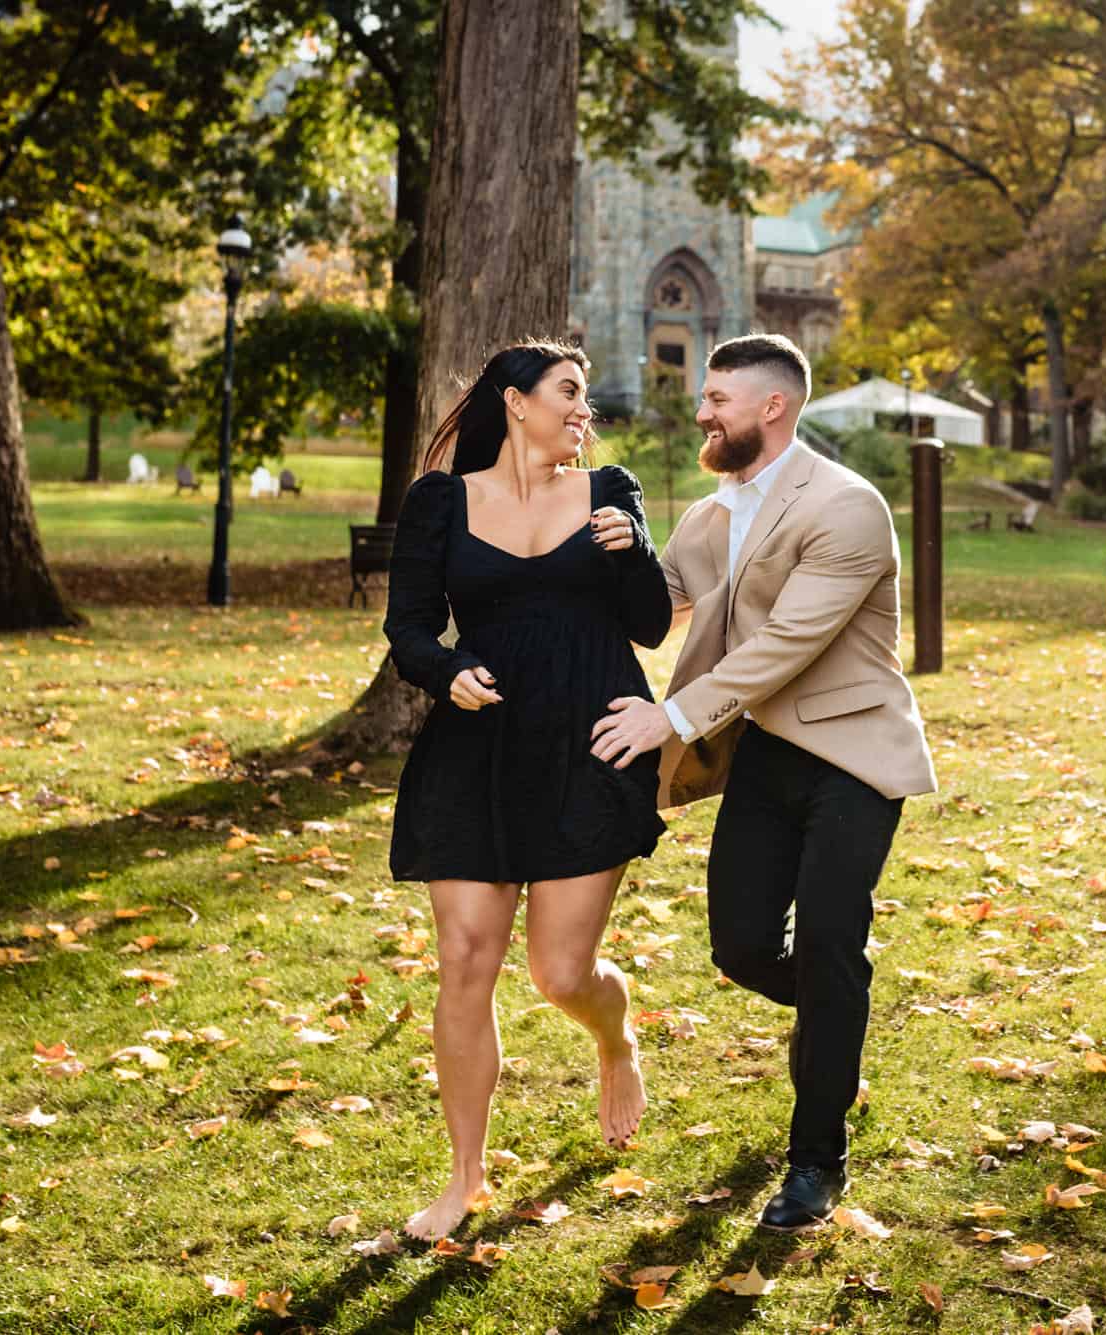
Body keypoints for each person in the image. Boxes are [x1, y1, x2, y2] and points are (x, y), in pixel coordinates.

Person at [591, 334, 935, 1232]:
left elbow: (787, 644)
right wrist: (621, 549)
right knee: (741, 948)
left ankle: (817, 1160)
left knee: (826, 940)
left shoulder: (848, 506)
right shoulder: (713, 515)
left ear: (771, 407)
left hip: (854, 757)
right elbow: (655, 600)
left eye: (717, 399)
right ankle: (836, 1014)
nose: (702, 411)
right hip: (766, 757)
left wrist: (666, 719)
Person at [384, 338, 672, 1242]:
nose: (585, 409)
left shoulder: (609, 492)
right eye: (570, 391)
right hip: (479, 746)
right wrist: (447, 669)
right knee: (466, 961)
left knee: (557, 972)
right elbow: (410, 628)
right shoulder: (442, 502)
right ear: (515, 401)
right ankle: (462, 1178)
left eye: (585, 394)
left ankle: (614, 1035)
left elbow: (652, 623)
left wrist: (634, 552)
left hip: (590, 744)